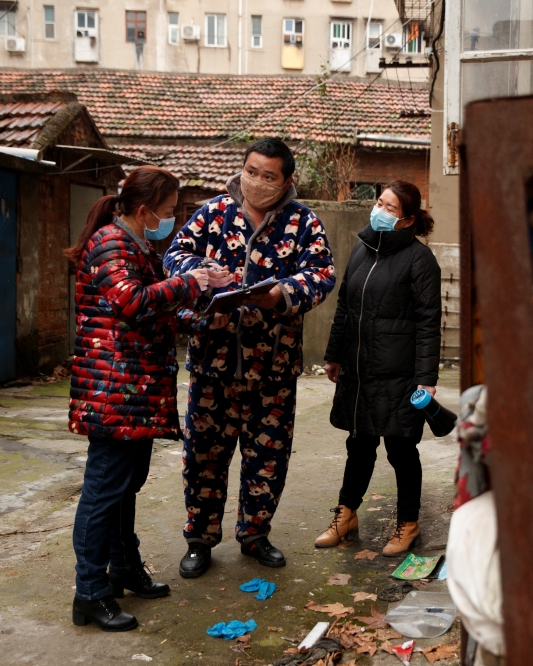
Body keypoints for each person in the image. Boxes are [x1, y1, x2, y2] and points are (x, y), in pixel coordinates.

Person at [65, 166, 230, 632]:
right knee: (102, 494)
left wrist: (203, 316)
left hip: (134, 390)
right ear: (143, 211)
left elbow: (155, 310)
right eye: (167, 211)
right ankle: (90, 593)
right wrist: (193, 281)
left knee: (124, 487)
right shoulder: (111, 245)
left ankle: (122, 568)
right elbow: (133, 301)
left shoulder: (138, 246)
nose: (171, 219)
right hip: (112, 390)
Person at [163, 137, 335, 577]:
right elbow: (174, 256)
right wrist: (201, 278)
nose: (257, 182)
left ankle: (255, 535)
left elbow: (322, 273)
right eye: (251, 171)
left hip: (273, 368)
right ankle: (200, 539)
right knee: (203, 456)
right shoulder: (214, 213)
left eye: (268, 176)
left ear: (286, 180)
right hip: (212, 363)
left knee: (267, 459)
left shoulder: (303, 223)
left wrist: (283, 293)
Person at [316, 180, 441, 556]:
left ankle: (408, 522)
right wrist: (335, 353)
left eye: (390, 208)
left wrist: (426, 380)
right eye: (380, 203)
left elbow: (428, 324)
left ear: (406, 220)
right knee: (359, 444)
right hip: (359, 369)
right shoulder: (362, 248)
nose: (380, 211)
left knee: (401, 450)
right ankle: (347, 513)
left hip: (399, 374)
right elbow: (345, 307)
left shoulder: (421, 261)